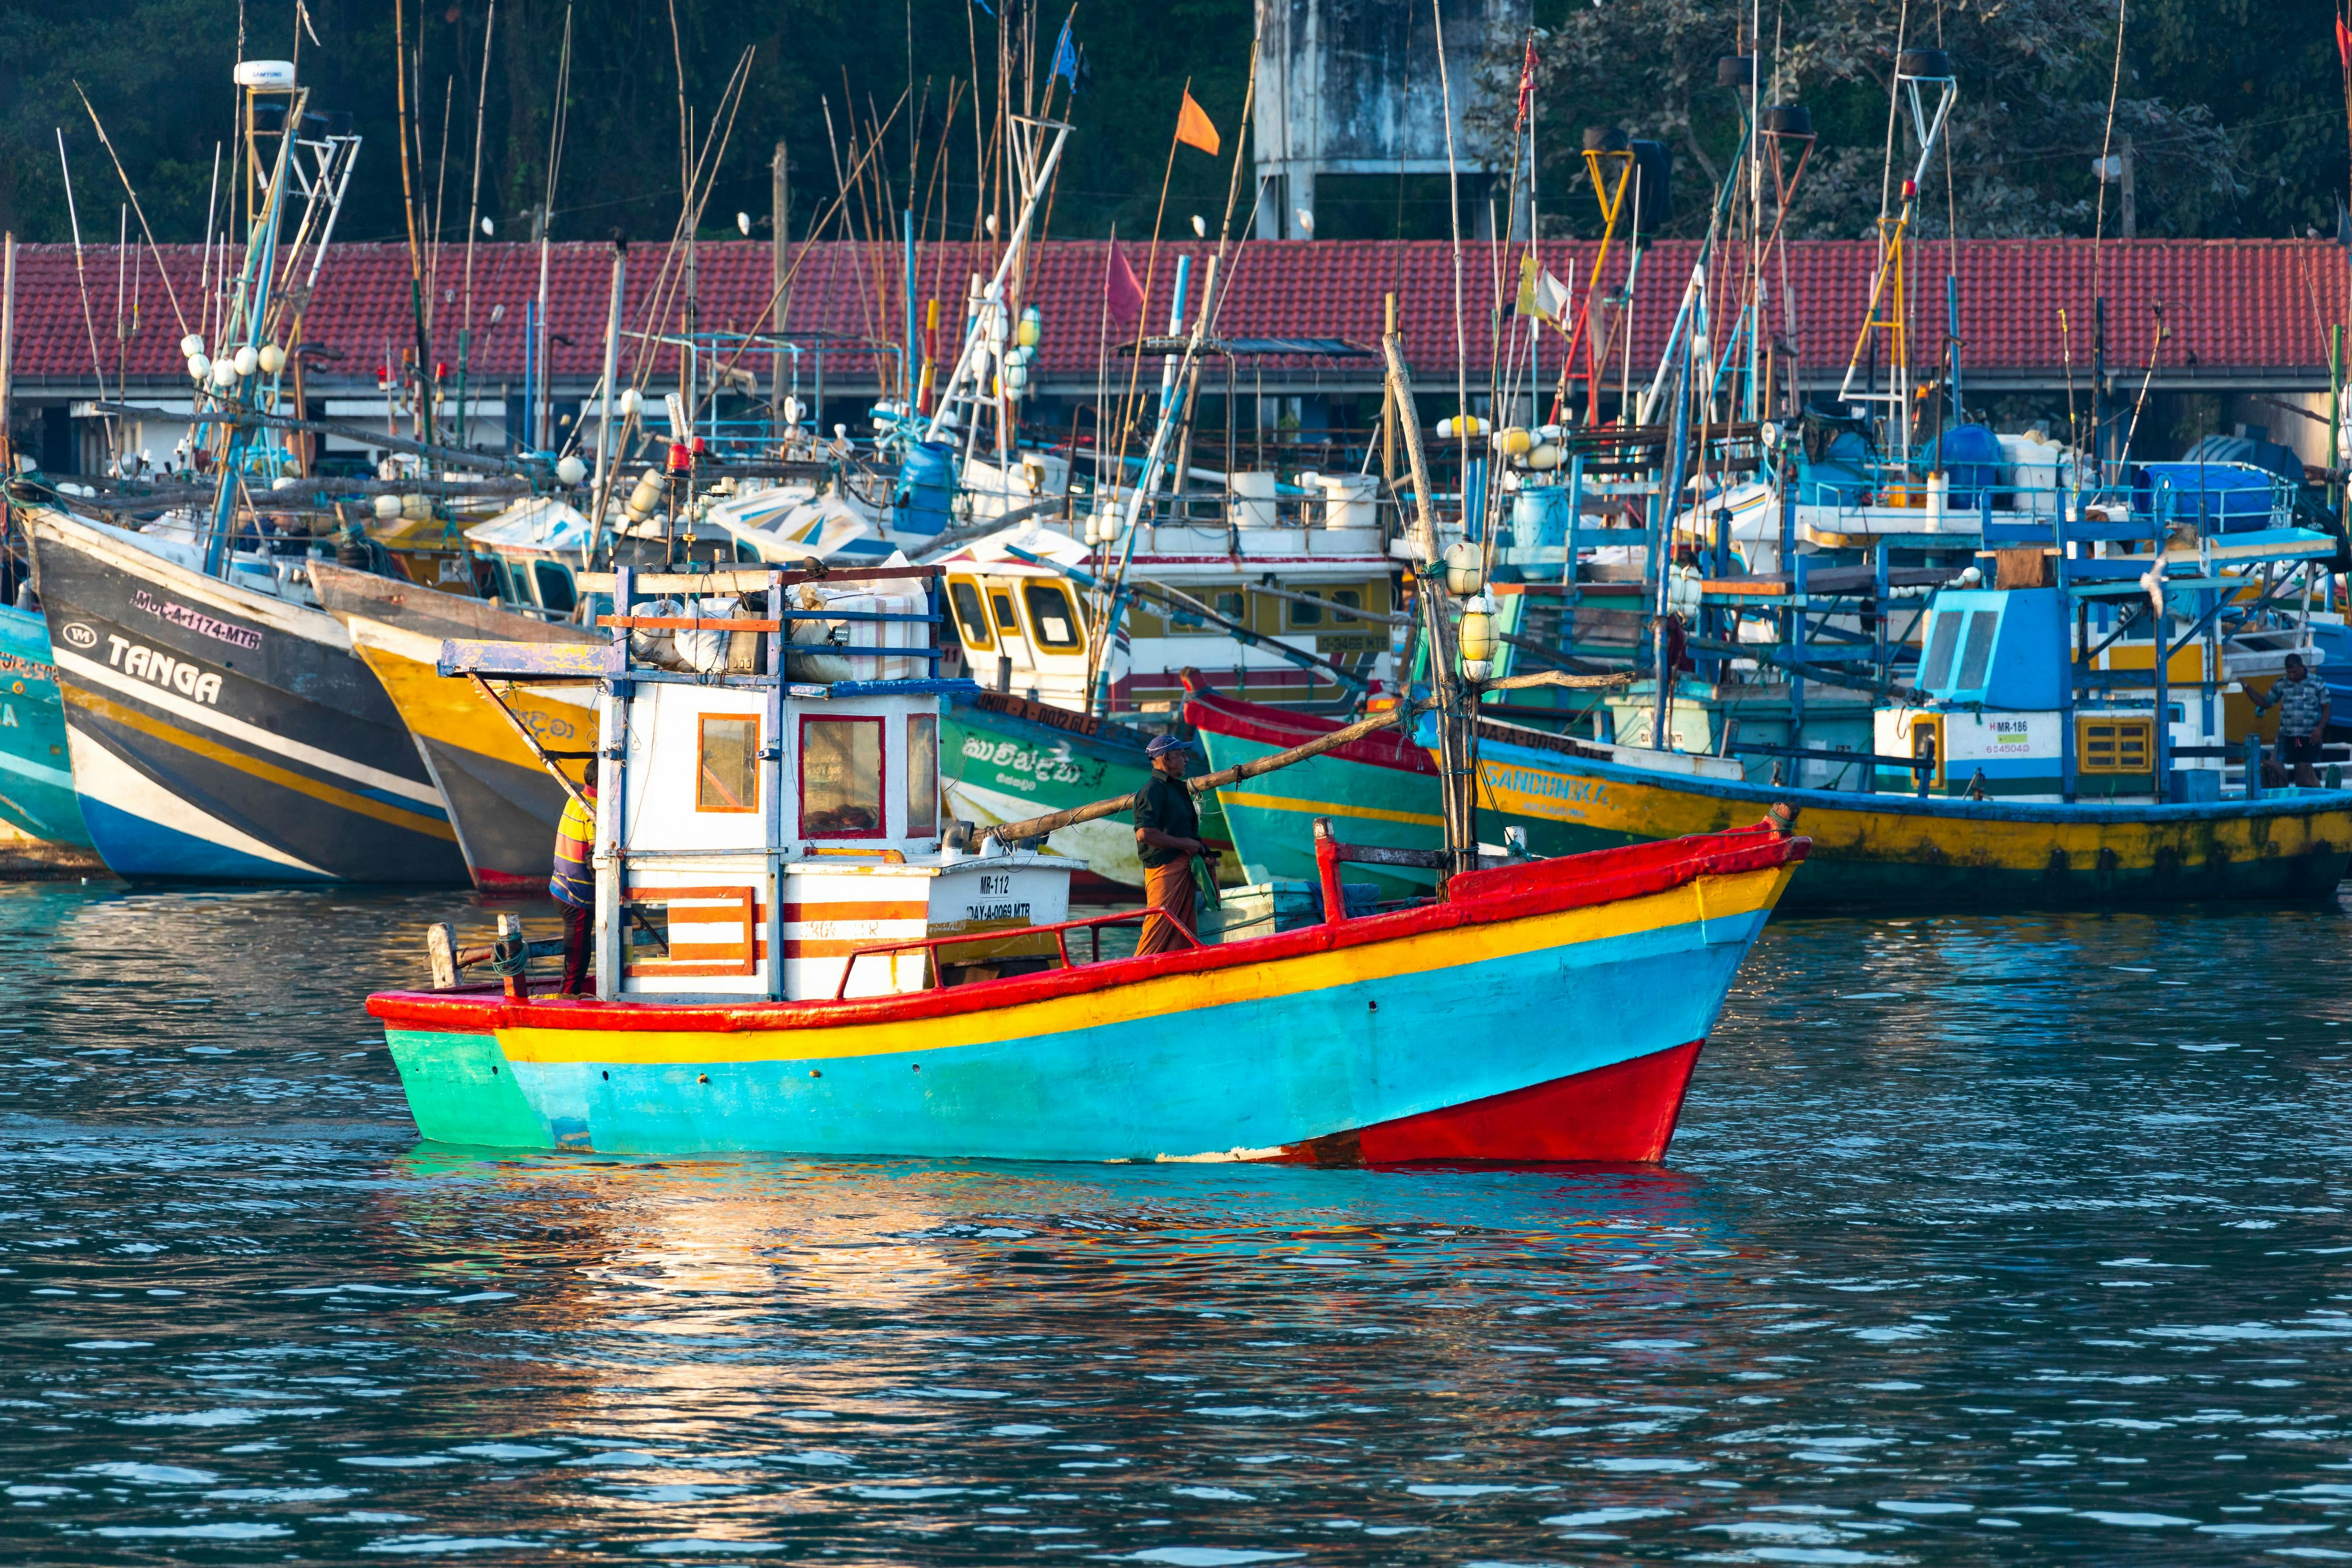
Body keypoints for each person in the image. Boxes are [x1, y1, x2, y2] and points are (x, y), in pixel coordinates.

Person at [1132, 734, 1212, 955]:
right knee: (1158, 928)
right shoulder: (1153, 790)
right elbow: (1144, 833)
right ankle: (1136, 972)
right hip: (1165, 869)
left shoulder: (1175, 789)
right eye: (1181, 755)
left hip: (1182, 868)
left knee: (1182, 930)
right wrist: (1183, 844)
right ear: (1167, 758)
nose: (1186, 759)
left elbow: (1183, 831)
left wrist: (1200, 849)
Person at [2255, 653, 2332, 788]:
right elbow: (2266, 702)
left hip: (2311, 738)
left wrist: (2320, 729)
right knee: (2285, 775)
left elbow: (2326, 708)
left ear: (2303, 667)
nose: (2291, 676)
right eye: (2289, 672)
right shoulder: (2281, 684)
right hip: (2287, 739)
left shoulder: (2317, 683)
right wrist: (2246, 687)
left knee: (2311, 775)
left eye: (2295, 672)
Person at [550, 779, 597, 996]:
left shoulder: (575, 799)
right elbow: (594, 861)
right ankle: (567, 998)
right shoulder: (593, 812)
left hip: (559, 885)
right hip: (576, 895)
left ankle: (570, 993)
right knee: (578, 955)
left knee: (578, 952)